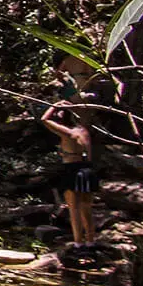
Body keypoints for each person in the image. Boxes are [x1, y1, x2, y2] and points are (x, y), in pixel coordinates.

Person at [42, 96, 99, 246]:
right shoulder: (83, 131)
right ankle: (91, 242)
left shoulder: (67, 132)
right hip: (87, 169)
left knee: (74, 208)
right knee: (87, 208)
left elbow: (44, 119)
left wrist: (55, 105)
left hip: (72, 170)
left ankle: (78, 243)